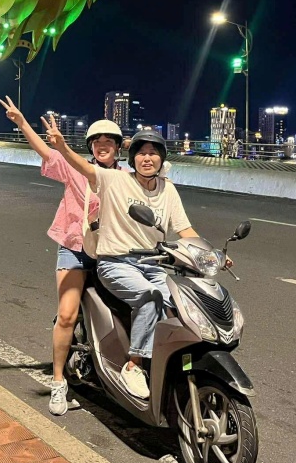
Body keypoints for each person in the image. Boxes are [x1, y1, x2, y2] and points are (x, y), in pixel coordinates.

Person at [44, 121, 201, 400]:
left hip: (151, 263)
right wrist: (62, 146)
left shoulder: (167, 189)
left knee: (182, 305)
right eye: (141, 153)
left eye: (153, 153)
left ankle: (167, 363)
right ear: (132, 158)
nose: (147, 158)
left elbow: (184, 229)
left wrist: (209, 254)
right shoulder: (115, 179)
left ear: (162, 159)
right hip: (113, 260)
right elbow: (84, 168)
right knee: (148, 297)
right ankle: (133, 365)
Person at [0, 96, 125, 415]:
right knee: (67, 315)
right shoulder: (76, 169)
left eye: (108, 142)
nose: (102, 146)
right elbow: (47, 152)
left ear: (118, 147)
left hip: (111, 253)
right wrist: (22, 123)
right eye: (97, 142)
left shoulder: (126, 178)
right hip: (75, 248)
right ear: (91, 147)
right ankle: (58, 382)